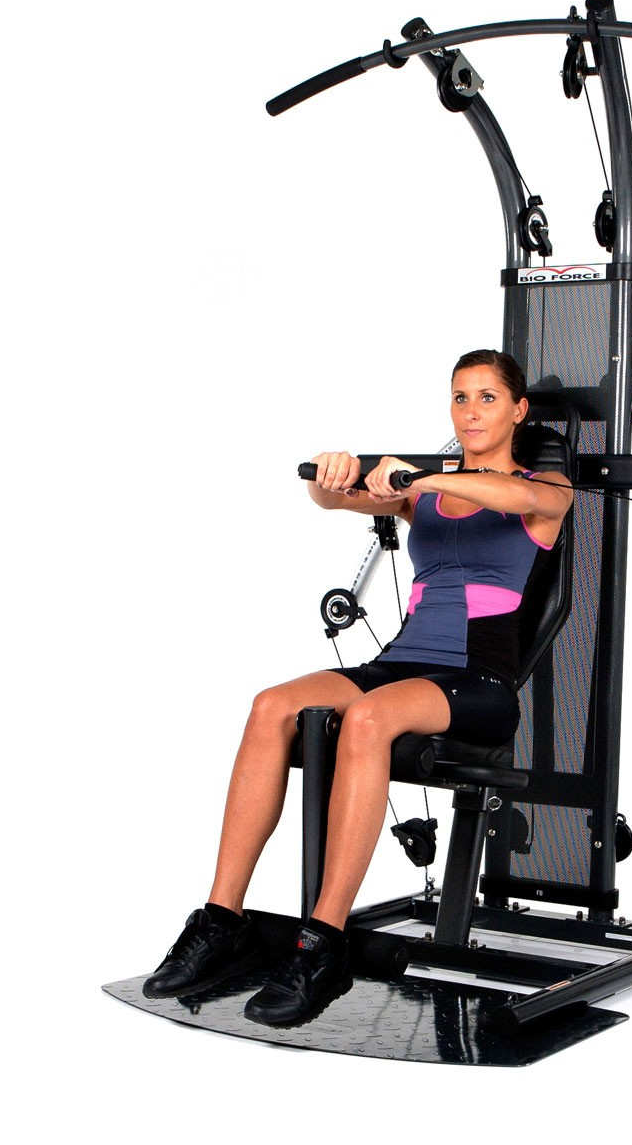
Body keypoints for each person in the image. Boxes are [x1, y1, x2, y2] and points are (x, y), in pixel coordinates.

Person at [142, 350, 573, 1024]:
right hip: (399, 665)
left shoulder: (546, 489)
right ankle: (220, 919)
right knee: (272, 706)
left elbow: (518, 498)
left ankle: (324, 941)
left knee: (369, 718)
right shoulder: (424, 496)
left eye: (487, 398)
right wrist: (333, 474)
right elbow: (333, 498)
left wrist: (419, 476)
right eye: (460, 397)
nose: (470, 412)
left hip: (478, 680)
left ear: (519, 410)